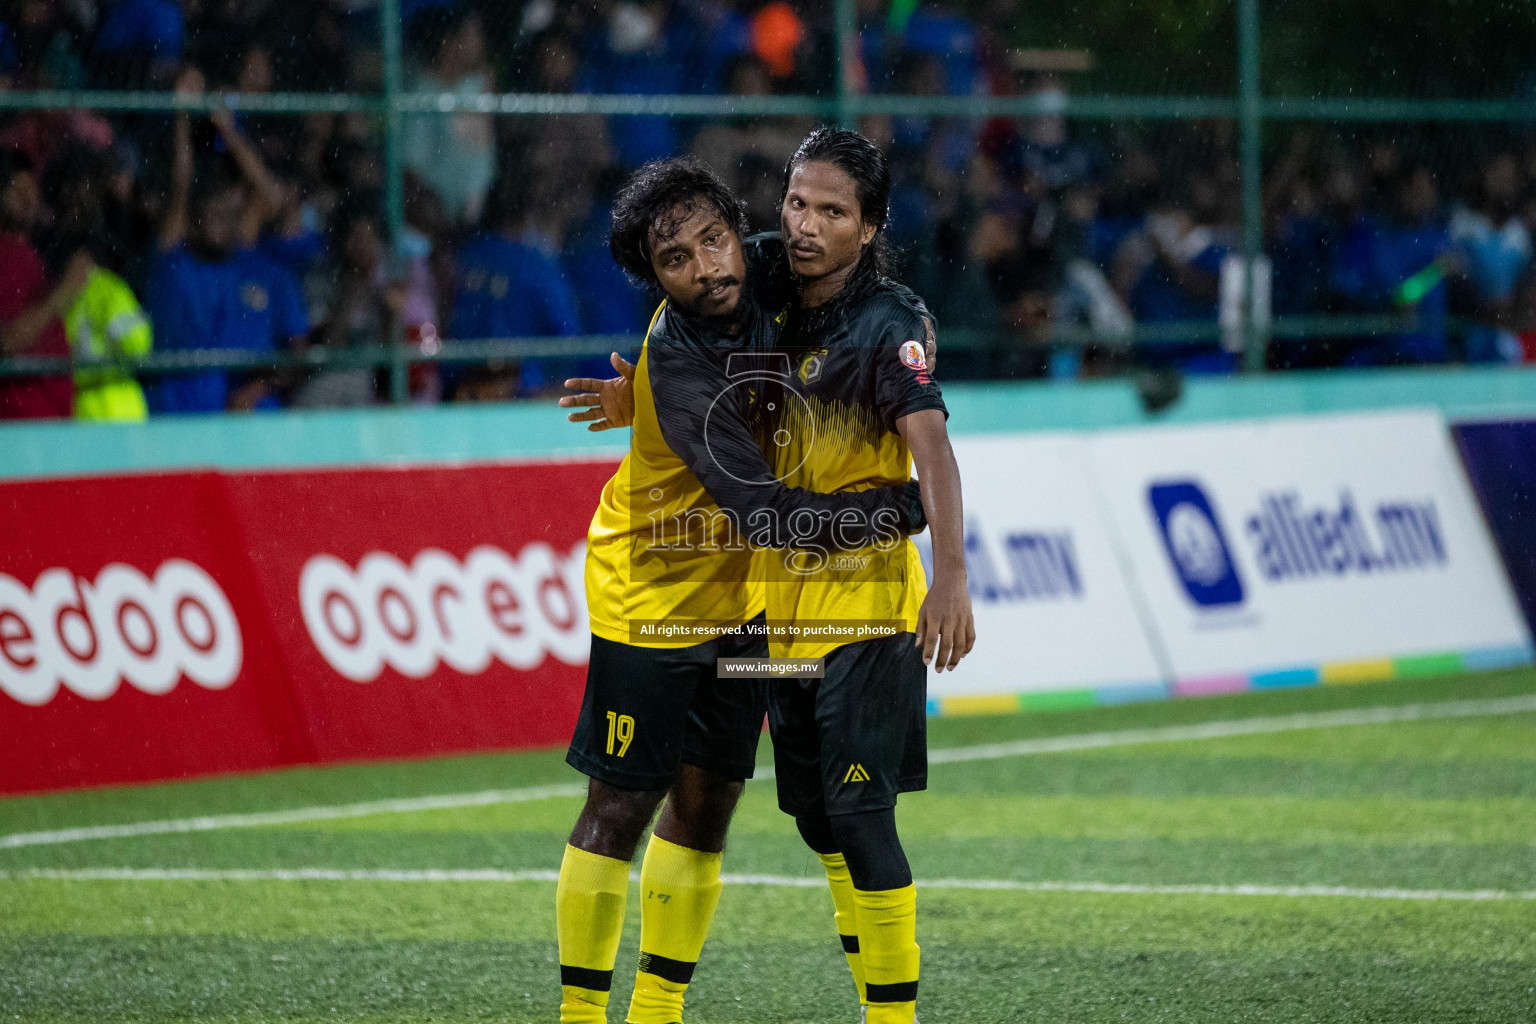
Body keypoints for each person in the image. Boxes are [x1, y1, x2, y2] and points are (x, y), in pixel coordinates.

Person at [552, 157, 928, 1024]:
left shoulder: (767, 266)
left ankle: (655, 1012)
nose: (706, 267)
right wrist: (896, 507)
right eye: (675, 259)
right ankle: (578, 1018)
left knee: (709, 800)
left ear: (738, 227)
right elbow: (765, 514)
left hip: (750, 604)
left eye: (713, 240)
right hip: (651, 591)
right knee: (618, 807)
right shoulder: (677, 364)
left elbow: (854, 292)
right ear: (654, 278)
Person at [763, 127, 973, 1024]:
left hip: (869, 607)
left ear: (870, 226)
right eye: (798, 202)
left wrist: (951, 577)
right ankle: (872, 993)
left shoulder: (892, 324)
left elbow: (934, 454)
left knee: (859, 816)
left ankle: (892, 1017)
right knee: (814, 821)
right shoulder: (764, 294)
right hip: (777, 605)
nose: (806, 224)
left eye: (832, 211)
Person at [0, 149, 91, 419]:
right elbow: (7, 341)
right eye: (16, 190)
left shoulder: (35, 252)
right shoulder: (6, 254)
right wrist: (64, 292)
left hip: (48, 425)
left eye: (32, 187)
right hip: (21, 425)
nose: (28, 198)